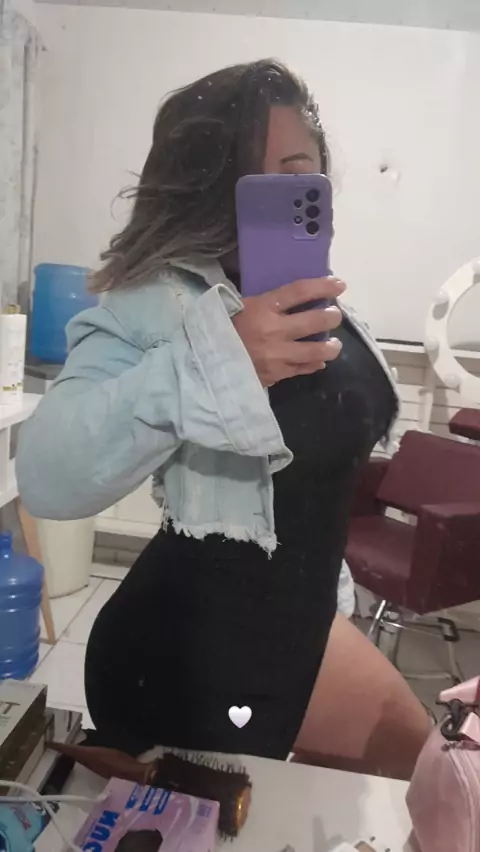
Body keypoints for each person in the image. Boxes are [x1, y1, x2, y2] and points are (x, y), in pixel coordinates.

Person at [17, 59, 430, 778]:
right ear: (204, 189)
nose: (280, 197)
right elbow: (47, 475)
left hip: (301, 626)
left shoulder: (313, 299)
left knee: (431, 787)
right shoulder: (161, 303)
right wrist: (214, 361)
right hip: (189, 658)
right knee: (424, 789)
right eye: (250, 180)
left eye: (298, 174)